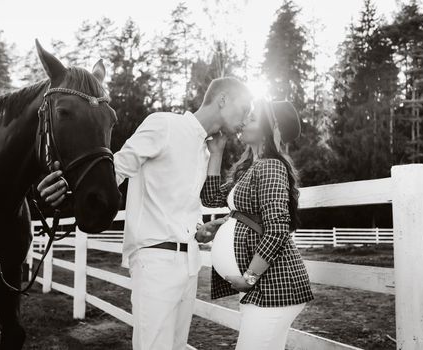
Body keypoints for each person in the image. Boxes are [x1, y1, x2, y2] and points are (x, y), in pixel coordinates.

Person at [37, 77, 253, 350]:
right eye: (244, 108)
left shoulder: (206, 148)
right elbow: (116, 168)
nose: (246, 117)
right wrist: (67, 190)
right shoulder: (164, 124)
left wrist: (199, 229)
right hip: (156, 261)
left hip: (189, 265)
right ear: (223, 99)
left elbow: (180, 203)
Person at [200, 99, 314, 350]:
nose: (243, 121)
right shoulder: (250, 169)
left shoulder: (271, 167)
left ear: (269, 128)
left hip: (275, 285)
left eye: (251, 119)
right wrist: (216, 152)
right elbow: (210, 198)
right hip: (261, 287)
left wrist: (250, 277)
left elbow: (277, 229)